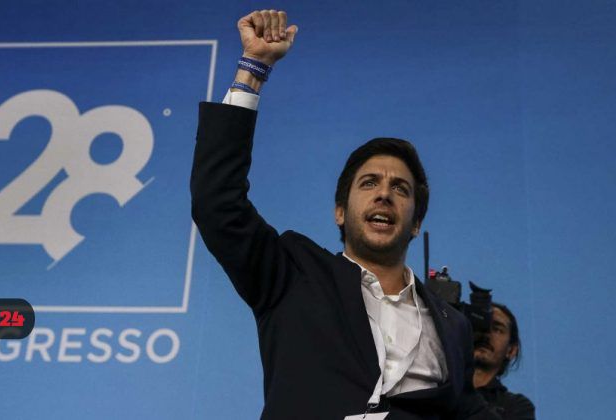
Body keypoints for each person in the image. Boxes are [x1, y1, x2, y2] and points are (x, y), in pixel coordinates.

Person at [191, 10, 498, 420]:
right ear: (340, 211)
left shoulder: (453, 326)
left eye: (400, 189)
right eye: (369, 183)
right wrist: (254, 69)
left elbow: (469, 410)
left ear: (416, 223)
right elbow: (217, 203)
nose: (384, 194)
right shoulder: (291, 274)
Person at [473, 303, 536, 420]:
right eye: (479, 326)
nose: (486, 334)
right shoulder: (441, 390)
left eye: (497, 329)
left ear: (511, 350)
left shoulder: (516, 406)